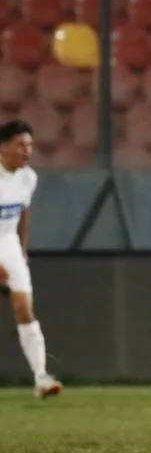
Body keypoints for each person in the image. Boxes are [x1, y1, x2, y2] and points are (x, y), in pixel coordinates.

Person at [0, 121, 62, 399]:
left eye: (30, 145)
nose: (27, 151)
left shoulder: (28, 178)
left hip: (8, 243)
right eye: (20, 145)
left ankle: (41, 377)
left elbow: (23, 213)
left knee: (24, 308)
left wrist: (21, 252)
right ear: (3, 148)